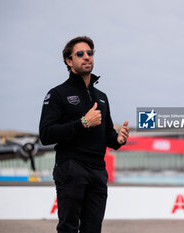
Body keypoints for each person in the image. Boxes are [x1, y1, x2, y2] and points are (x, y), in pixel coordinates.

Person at [39, 36, 129, 233]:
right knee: (68, 228)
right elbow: (45, 134)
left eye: (90, 53)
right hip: (71, 168)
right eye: (80, 54)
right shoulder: (57, 94)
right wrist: (83, 123)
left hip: (97, 171)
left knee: (93, 229)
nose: (86, 57)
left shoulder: (102, 98)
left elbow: (107, 136)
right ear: (69, 61)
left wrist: (119, 139)